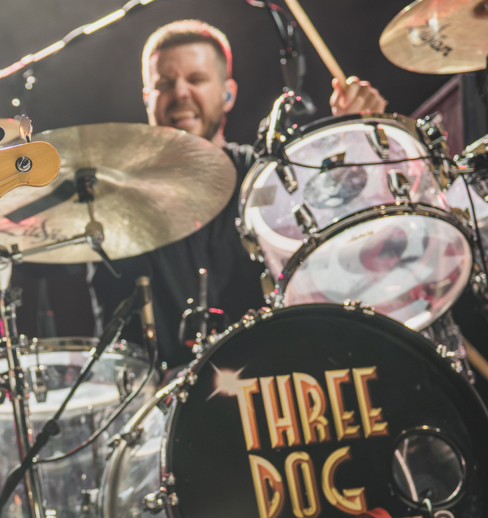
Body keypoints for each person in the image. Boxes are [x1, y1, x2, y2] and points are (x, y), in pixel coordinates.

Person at [113, 19, 387, 364]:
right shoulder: (116, 203)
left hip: (281, 380)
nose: (181, 92)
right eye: (165, 83)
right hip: (172, 405)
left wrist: (358, 140)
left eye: (196, 79)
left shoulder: (269, 176)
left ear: (228, 93)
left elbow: (345, 235)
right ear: (147, 98)